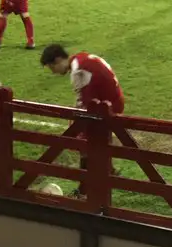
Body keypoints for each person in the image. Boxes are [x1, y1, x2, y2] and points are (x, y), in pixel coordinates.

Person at [40, 44, 126, 198]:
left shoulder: (78, 71)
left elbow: (84, 104)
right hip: (113, 101)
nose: (53, 72)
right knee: (96, 138)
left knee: (84, 143)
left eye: (52, 68)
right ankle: (109, 171)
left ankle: (84, 190)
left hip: (108, 106)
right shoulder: (82, 59)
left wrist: (76, 128)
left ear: (58, 60)